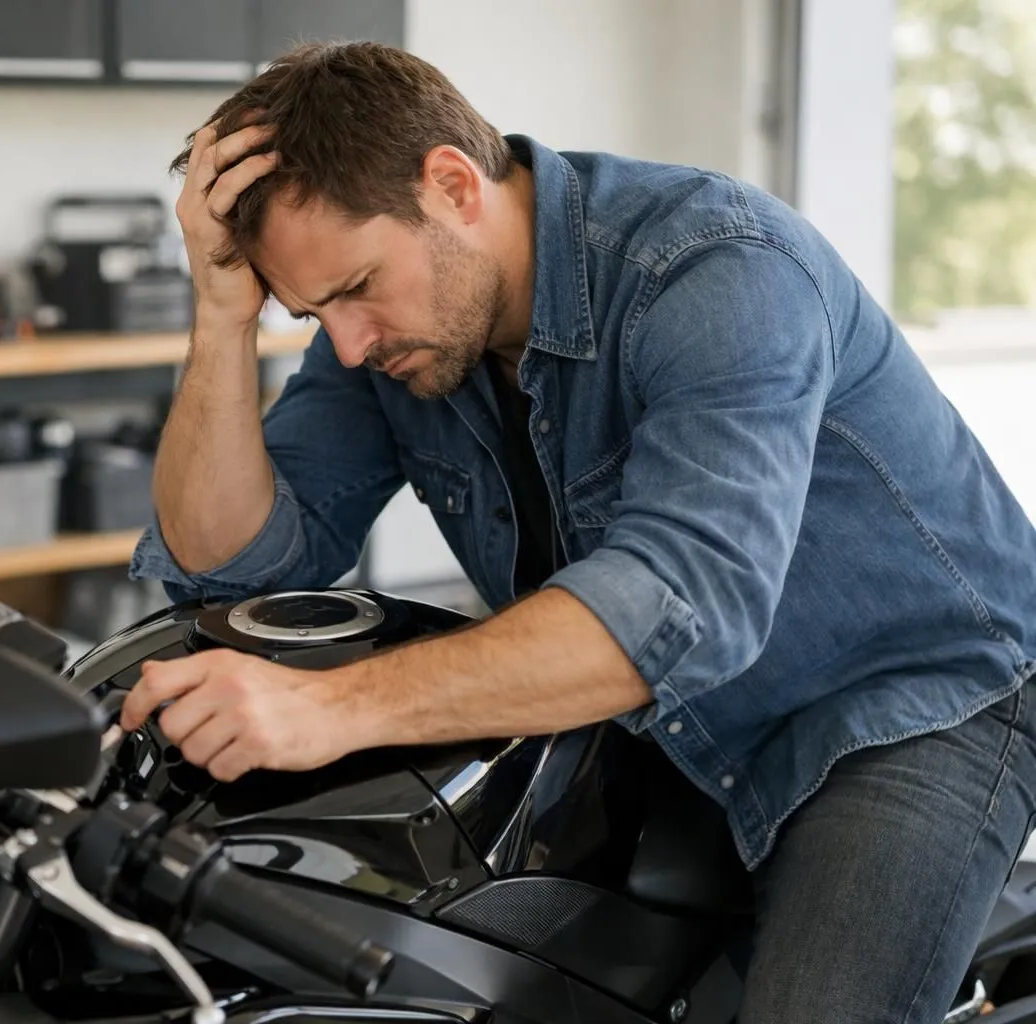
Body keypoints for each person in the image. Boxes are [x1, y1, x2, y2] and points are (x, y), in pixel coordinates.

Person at [119, 41, 1036, 1022]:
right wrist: (221, 313)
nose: (345, 344)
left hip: (910, 706)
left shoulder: (716, 266)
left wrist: (330, 707)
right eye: (310, 314)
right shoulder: (395, 334)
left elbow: (682, 604)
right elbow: (232, 572)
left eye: (353, 290)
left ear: (452, 185)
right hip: (658, 717)